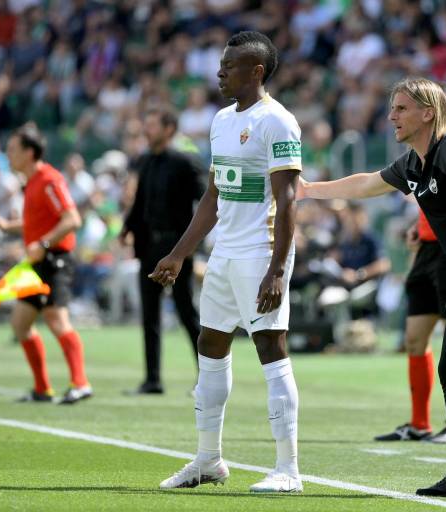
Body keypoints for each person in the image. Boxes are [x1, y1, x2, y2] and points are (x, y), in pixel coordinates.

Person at [298, 77, 446, 501]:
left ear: (428, 112)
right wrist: (309, 190)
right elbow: (367, 184)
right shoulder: (412, 163)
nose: (392, 116)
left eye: (401, 109)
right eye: (392, 109)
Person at [149, 31, 303, 493]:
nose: (220, 72)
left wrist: (277, 268)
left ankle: (288, 470)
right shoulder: (219, 121)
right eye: (221, 64)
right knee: (210, 346)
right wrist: (180, 253)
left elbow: (289, 198)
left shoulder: (278, 122)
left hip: (261, 252)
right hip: (225, 253)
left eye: (230, 66)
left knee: (270, 350)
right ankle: (208, 459)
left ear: (256, 71)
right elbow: (213, 198)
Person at [0, 124, 92, 404]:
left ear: (29, 153)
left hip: (55, 259)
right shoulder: (31, 182)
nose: (7, 156)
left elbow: (72, 220)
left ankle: (80, 383)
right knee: (20, 324)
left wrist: (43, 244)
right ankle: (42, 389)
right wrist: (8, 225)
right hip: (38, 262)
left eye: (12, 150)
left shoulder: (49, 179)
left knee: (57, 319)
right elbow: (37, 222)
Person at [121, 107, 205, 395]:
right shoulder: (145, 161)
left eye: (153, 125)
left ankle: (206, 379)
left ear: (169, 129)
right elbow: (140, 202)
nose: (147, 130)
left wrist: (192, 245)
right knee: (149, 315)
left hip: (177, 247)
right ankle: (152, 379)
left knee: (185, 312)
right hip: (149, 246)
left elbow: (206, 201)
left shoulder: (184, 162)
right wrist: (127, 228)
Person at [373, 208, 446, 444]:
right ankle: (419, 425)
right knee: (414, 341)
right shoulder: (420, 170)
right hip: (425, 250)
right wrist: (418, 225)